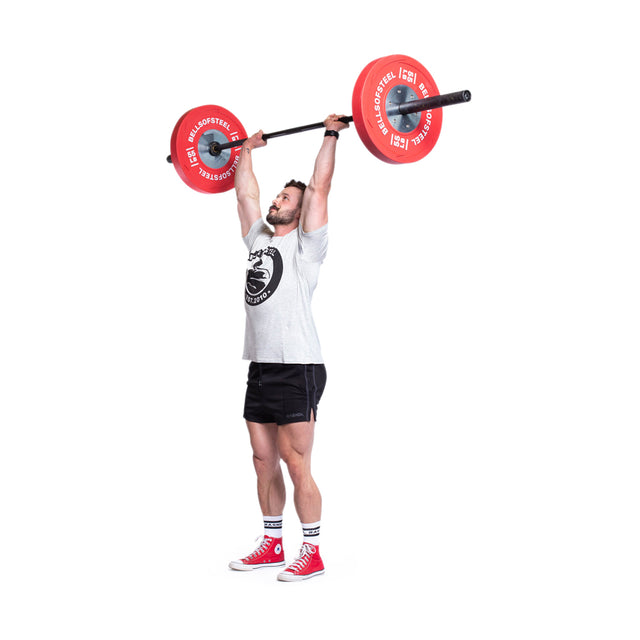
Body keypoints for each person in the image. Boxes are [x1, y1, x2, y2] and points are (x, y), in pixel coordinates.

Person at [228, 114, 348, 581]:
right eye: (278, 195)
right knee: (262, 459)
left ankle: (312, 551)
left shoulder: (307, 246)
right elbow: (244, 194)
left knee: (297, 462)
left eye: (286, 198)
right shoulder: (259, 238)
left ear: (300, 212)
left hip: (297, 364)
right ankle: (274, 542)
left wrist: (331, 133)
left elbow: (320, 188)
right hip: (260, 364)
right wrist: (245, 150)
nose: (277, 200)